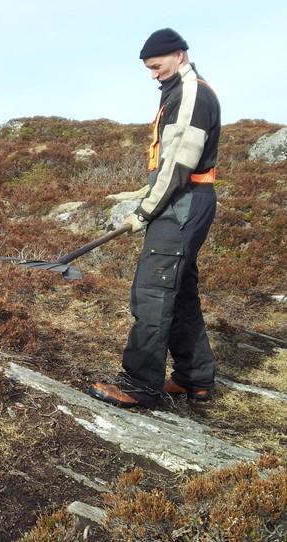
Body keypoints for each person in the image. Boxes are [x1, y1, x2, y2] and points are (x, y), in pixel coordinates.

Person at [88, 28, 221, 408]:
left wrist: (144, 213)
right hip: (182, 202)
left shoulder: (192, 94)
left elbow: (181, 164)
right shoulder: (177, 92)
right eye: (148, 68)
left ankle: (140, 385)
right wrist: (143, 193)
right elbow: (170, 162)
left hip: (182, 206)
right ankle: (195, 379)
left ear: (178, 55)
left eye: (156, 65)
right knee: (179, 293)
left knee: (153, 294)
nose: (153, 74)